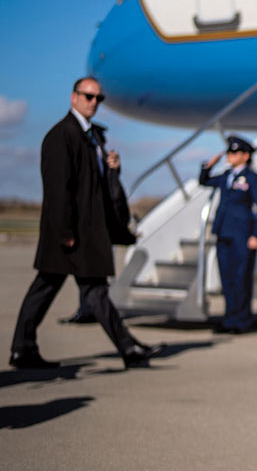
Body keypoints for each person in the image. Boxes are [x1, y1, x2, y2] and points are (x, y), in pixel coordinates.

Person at [10, 76, 165, 370]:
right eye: (88, 96)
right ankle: (24, 348)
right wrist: (64, 231)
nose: (94, 102)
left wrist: (112, 170)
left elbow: (94, 186)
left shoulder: (94, 137)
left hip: (87, 233)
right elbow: (58, 188)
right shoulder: (61, 135)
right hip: (70, 234)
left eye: (98, 98)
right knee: (51, 289)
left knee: (88, 291)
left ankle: (127, 348)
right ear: (74, 97)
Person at [199, 135, 257, 334]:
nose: (230, 155)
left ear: (245, 156)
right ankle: (229, 319)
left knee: (241, 278)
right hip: (224, 233)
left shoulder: (253, 178)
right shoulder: (226, 176)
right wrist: (208, 165)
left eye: (234, 152)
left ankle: (242, 320)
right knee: (226, 279)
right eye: (229, 152)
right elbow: (204, 181)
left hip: (243, 235)